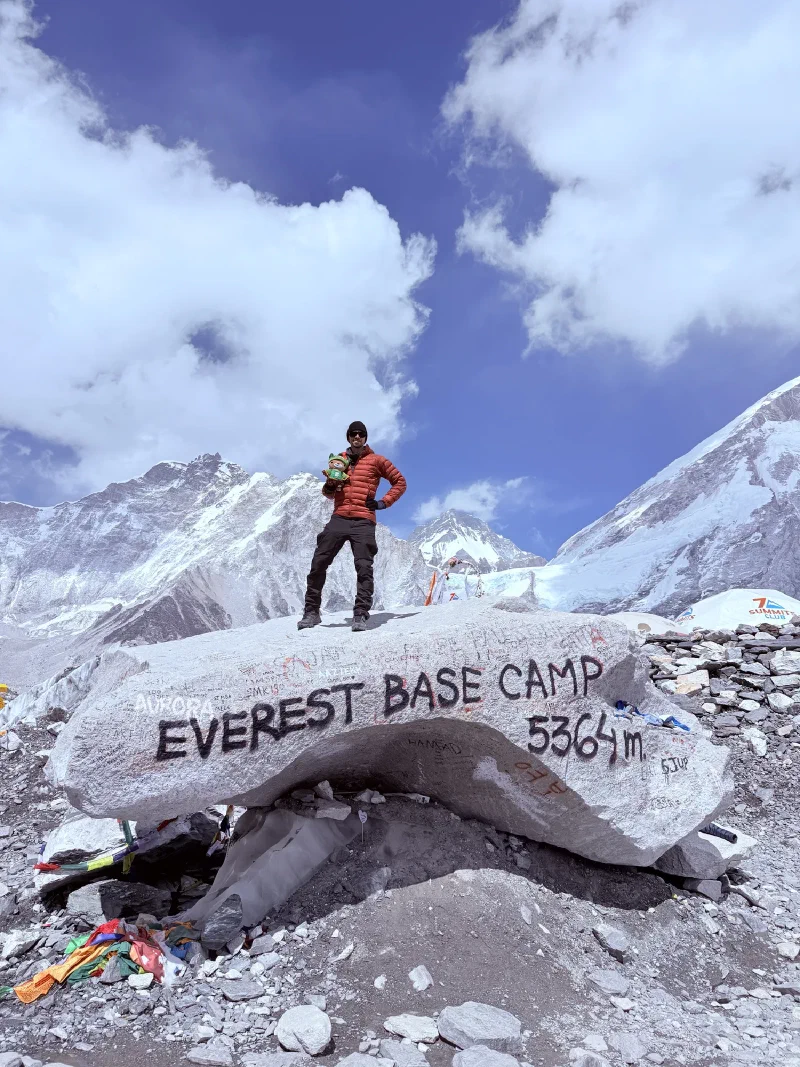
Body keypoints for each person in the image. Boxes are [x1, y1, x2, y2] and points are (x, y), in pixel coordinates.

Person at [298, 421, 406, 632]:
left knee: (364, 567)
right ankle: (311, 612)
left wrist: (382, 503)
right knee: (319, 562)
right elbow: (329, 494)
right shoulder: (338, 460)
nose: (357, 437)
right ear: (348, 437)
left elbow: (400, 482)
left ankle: (360, 615)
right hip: (339, 517)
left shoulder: (377, 460)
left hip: (364, 519)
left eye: (361, 434)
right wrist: (329, 485)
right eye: (353, 434)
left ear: (366, 438)